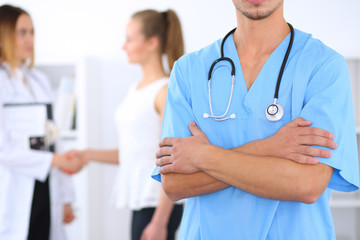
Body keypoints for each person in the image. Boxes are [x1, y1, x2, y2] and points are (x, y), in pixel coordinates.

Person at [153, 0, 359, 239]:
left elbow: (307, 184)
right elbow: (175, 185)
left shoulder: (323, 66)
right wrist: (268, 148)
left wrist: (202, 156)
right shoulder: (188, 71)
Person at [71, 9, 185, 240]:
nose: (124, 46)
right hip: (141, 201)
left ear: (152, 43)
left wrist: (159, 222)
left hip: (157, 204)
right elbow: (135, 151)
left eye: (129, 39)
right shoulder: (136, 89)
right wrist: (88, 154)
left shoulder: (164, 92)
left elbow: (173, 160)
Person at [0, 4, 83, 240]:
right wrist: (54, 161)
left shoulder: (39, 80)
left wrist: (67, 197)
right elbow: (2, 150)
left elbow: (54, 138)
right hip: (13, 190)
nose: (30, 39)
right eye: (21, 32)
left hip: (47, 190)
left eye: (32, 32)